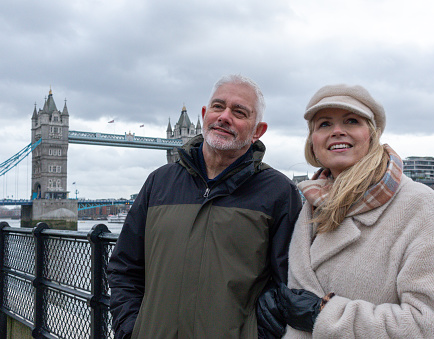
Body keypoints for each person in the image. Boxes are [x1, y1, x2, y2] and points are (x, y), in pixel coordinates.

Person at [107, 74, 302, 339]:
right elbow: (124, 268)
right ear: (204, 114)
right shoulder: (159, 182)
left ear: (258, 130)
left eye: (239, 112)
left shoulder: (279, 192)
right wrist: (130, 329)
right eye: (217, 106)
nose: (224, 116)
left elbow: (289, 287)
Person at [257, 84, 434, 338]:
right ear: (313, 142)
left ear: (372, 135)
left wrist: (323, 315)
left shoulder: (418, 204)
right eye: (324, 124)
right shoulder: (312, 205)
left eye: (351, 121)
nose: (337, 132)